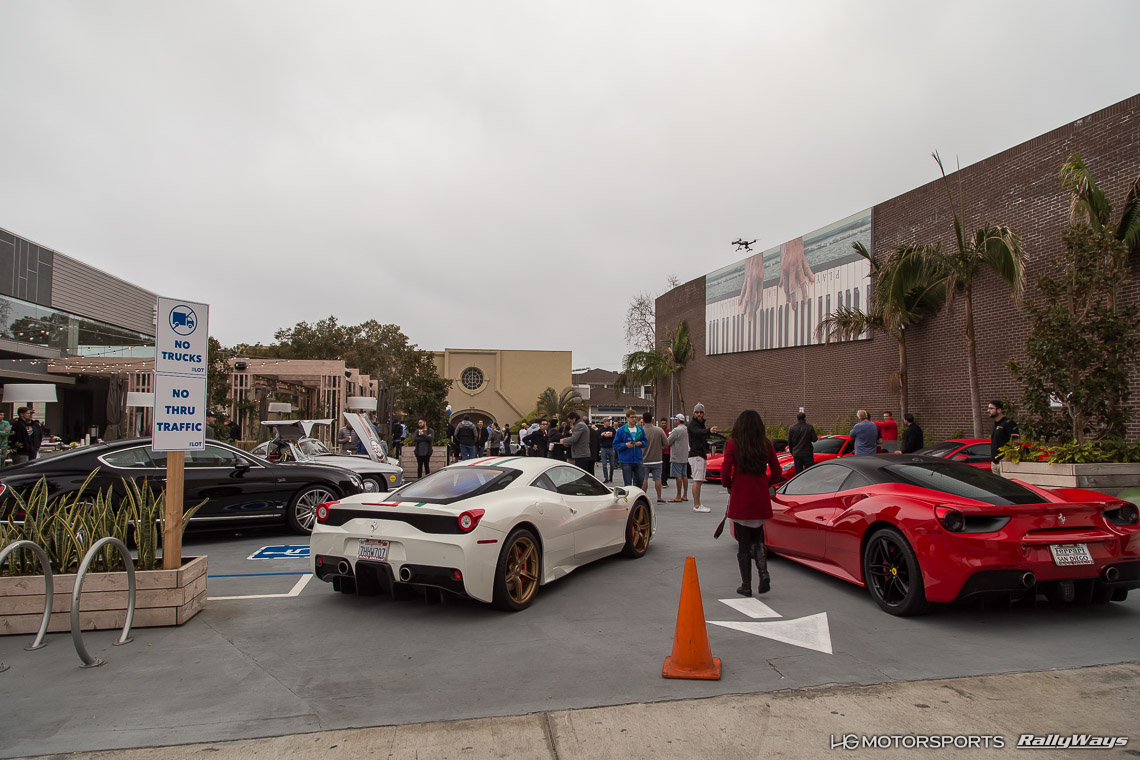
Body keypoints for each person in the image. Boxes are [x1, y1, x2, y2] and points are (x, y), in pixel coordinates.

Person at [721, 410, 785, 597]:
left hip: (741, 495)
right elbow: (777, 470)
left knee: (743, 544)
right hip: (760, 496)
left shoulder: (734, 444)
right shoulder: (766, 444)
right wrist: (765, 483)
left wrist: (729, 484)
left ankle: (746, 585)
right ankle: (763, 573)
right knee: (758, 538)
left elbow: (725, 470)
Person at [687, 403, 725, 513]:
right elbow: (698, 432)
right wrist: (709, 431)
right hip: (696, 455)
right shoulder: (693, 424)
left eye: (701, 412)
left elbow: (702, 435)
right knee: (697, 480)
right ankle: (697, 505)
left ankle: (698, 504)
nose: (699, 414)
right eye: (697, 412)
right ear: (694, 413)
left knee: (699, 481)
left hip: (700, 454)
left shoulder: (700, 424)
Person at [639, 412, 669, 503]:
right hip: (657, 459)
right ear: (652, 419)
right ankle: (659, 497)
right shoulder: (659, 430)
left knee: (644, 478)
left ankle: (643, 497)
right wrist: (660, 447)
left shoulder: (640, 431)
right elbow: (666, 443)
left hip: (644, 459)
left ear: (643, 420)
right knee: (658, 479)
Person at [612, 410, 646, 487]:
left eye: (635, 417)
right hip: (626, 460)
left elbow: (645, 441)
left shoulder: (640, 429)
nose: (634, 419)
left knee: (641, 479)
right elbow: (615, 444)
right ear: (627, 418)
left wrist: (641, 443)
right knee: (628, 483)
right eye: (631, 417)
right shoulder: (621, 430)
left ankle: (637, 495)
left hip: (638, 459)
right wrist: (625, 445)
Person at [667, 413, 689, 502]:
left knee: (678, 476)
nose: (674, 421)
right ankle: (685, 495)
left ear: (678, 420)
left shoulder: (676, 430)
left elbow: (668, 441)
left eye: (675, 420)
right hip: (685, 455)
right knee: (684, 475)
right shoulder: (686, 429)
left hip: (677, 455)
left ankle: (678, 496)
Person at [598, 418, 616, 482]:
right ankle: (606, 478)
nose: (608, 423)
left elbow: (616, 438)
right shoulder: (600, 430)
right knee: (604, 464)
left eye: (609, 421)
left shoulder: (612, 429)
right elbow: (598, 439)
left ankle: (611, 476)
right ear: (604, 422)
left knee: (612, 464)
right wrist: (603, 436)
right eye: (607, 421)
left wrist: (611, 436)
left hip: (611, 447)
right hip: (603, 448)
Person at [658, 418, 671, 487]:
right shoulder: (659, 431)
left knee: (667, 467)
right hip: (661, 452)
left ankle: (665, 479)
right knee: (663, 467)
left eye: (665, 423)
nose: (663, 424)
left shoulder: (669, 431)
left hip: (668, 452)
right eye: (662, 423)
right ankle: (663, 481)